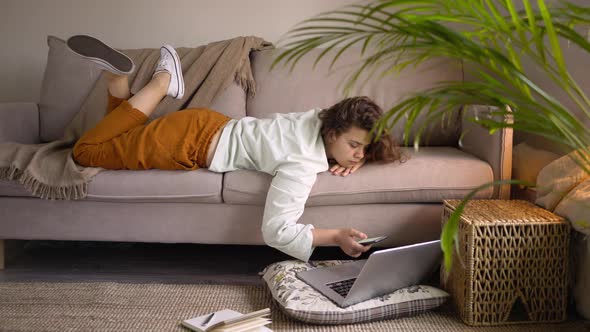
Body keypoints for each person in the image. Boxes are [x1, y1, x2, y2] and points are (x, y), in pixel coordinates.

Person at [69, 35, 401, 262]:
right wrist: (338, 236)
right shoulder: (300, 163)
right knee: (87, 153)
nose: (358, 154)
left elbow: (346, 134)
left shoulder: (316, 119)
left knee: (118, 140)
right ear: (331, 133)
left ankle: (116, 82)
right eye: (354, 146)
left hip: (202, 125)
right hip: (185, 142)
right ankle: (163, 82)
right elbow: (277, 232)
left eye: (364, 149)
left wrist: (357, 156)